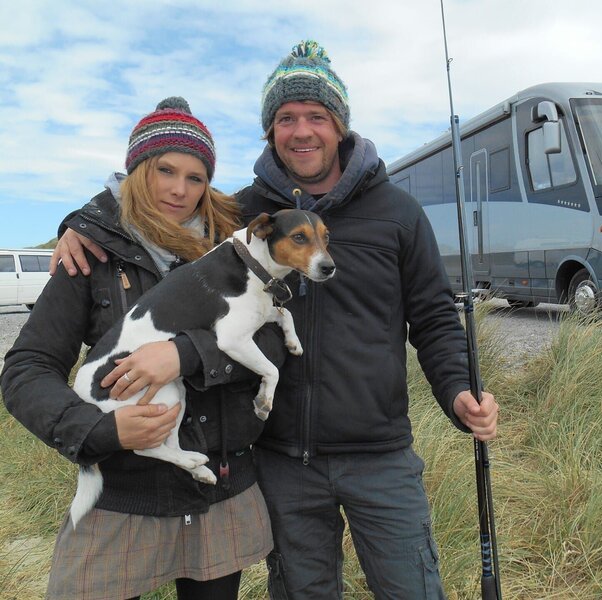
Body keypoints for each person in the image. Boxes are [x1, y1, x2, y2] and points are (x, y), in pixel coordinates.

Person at [50, 40, 499, 599]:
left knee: (413, 589)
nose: (301, 131)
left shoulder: (398, 214)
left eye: (316, 116)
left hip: (379, 455)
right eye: (286, 118)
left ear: (339, 126)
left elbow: (433, 317)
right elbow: (158, 211)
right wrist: (80, 225)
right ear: (270, 131)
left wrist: (458, 391)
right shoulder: (240, 214)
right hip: (281, 460)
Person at [1, 97, 275, 600]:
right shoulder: (91, 252)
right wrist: (99, 430)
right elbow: (26, 369)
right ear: (135, 172)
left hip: (219, 488)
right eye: (164, 170)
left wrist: (188, 354)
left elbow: (272, 339)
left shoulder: (237, 252)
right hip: (124, 496)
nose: (179, 189)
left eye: (196, 177)